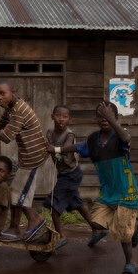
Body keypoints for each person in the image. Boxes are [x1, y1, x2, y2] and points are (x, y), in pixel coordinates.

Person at [0, 81, 49, 240]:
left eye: (2, 93)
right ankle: (15, 226)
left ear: (13, 92)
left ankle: (33, 221)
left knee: (17, 193)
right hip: (23, 153)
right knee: (11, 187)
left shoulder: (19, 110)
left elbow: (6, 137)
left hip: (32, 156)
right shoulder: (11, 107)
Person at [73, 102, 138, 274]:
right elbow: (77, 148)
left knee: (122, 231)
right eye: (101, 116)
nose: (104, 120)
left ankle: (131, 263)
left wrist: (112, 120)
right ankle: (133, 224)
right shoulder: (93, 139)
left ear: (116, 118)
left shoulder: (120, 135)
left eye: (109, 116)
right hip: (107, 192)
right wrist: (55, 149)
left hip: (126, 190)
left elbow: (126, 139)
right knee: (96, 223)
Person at [42, 105, 102, 247]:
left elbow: (66, 148)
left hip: (71, 174)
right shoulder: (49, 133)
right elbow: (45, 147)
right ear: (52, 117)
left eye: (65, 117)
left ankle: (61, 236)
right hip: (64, 174)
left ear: (69, 119)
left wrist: (53, 149)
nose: (61, 119)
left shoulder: (69, 135)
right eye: (58, 116)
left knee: (54, 205)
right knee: (77, 203)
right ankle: (97, 229)